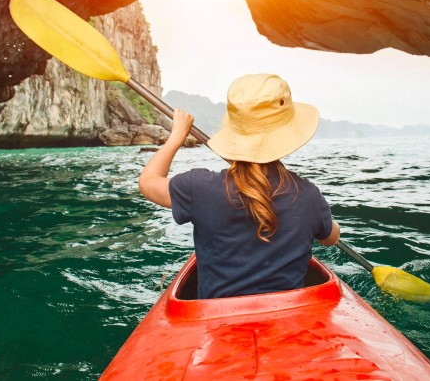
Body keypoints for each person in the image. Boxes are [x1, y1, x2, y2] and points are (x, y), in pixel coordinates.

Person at [139, 73, 340, 299]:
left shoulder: (198, 188)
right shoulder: (309, 196)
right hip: (286, 318)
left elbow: (147, 182)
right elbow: (330, 238)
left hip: (217, 323)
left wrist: (176, 137)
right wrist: (322, 221)